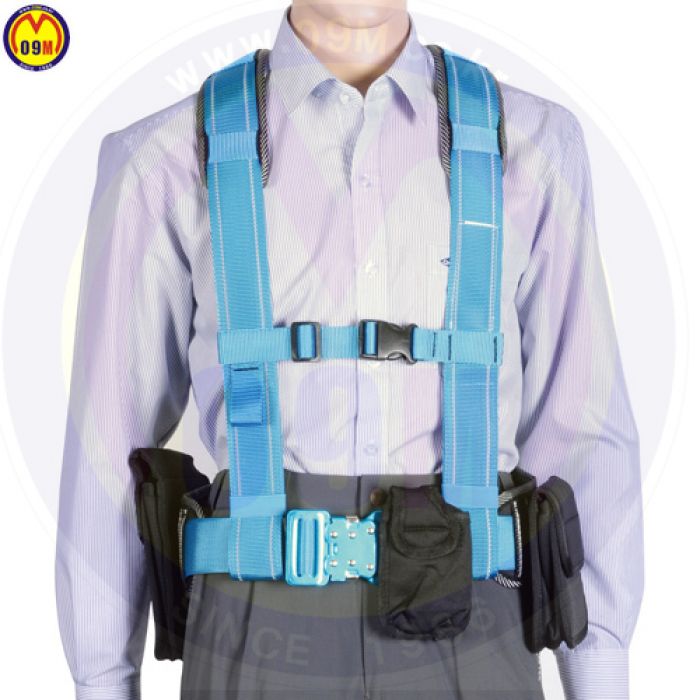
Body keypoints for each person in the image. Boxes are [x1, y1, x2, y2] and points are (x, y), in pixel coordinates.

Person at [55, 2, 644, 698]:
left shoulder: (536, 145)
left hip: (474, 615)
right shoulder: (160, 159)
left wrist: (599, 675)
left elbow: (581, 433)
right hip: (253, 628)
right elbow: (106, 448)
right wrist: (102, 680)